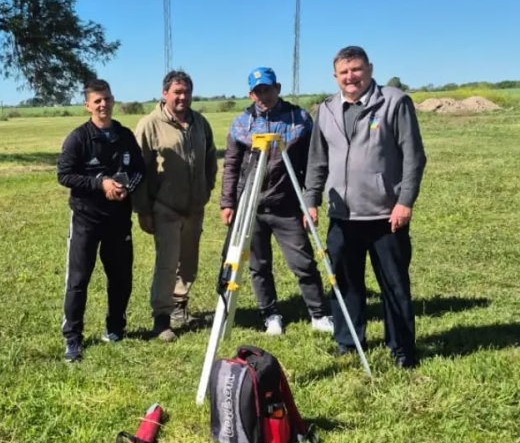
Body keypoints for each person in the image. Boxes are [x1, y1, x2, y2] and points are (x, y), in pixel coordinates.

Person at [304, 46, 427, 368]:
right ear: (335, 76)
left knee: (394, 284)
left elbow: (414, 157)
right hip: (342, 215)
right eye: (344, 72)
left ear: (369, 69)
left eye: (356, 70)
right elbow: (317, 160)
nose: (350, 77)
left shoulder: (394, 102)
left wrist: (404, 202)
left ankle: (401, 349)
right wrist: (311, 200)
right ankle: (348, 341)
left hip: (386, 215)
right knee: (345, 283)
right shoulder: (327, 110)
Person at [219, 67, 334, 336]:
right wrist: (228, 203)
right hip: (251, 207)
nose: (263, 96)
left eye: (268, 89)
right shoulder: (241, 124)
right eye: (258, 91)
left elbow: (313, 162)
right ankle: (270, 315)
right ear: (250, 93)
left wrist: (311, 201)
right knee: (259, 266)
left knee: (303, 262)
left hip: (287, 205)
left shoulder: (299, 119)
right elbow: (231, 166)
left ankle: (318, 313)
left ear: (278, 88)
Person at [57, 78, 146, 363]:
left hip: (119, 220)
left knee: (120, 277)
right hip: (86, 218)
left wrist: (125, 187)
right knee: (79, 280)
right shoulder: (78, 138)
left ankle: (115, 328)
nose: (103, 104)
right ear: (87, 106)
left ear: (113, 100)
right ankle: (73, 338)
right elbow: (65, 175)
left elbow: (140, 170)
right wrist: (101, 184)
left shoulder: (125, 135)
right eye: (97, 101)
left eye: (107, 99)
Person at [133, 70, 218, 342]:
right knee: (167, 263)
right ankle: (161, 318)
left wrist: (206, 189)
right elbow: (138, 170)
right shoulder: (150, 124)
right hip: (165, 207)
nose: (182, 97)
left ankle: (180, 307)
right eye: (177, 92)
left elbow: (210, 159)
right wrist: (143, 210)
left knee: (189, 262)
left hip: (195, 207)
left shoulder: (200, 122)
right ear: (164, 93)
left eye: (186, 92)